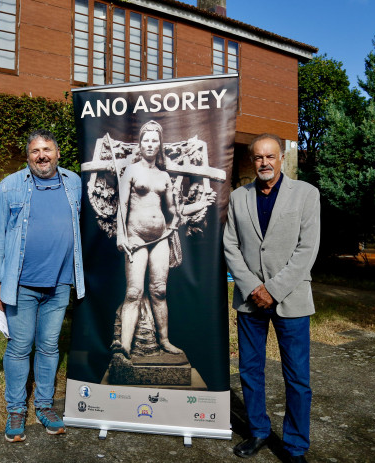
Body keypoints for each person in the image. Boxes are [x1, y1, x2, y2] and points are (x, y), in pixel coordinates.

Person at [223, 133, 320, 462]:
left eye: (270, 156)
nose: (264, 162)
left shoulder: (306, 194)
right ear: (253, 161)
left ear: (281, 158)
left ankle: (294, 447)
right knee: (249, 371)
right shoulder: (239, 197)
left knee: (297, 377)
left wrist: (273, 290)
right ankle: (259, 431)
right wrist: (253, 287)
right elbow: (230, 247)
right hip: (250, 301)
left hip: (291, 300)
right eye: (258, 157)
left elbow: (307, 249)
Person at [0, 129, 85, 443]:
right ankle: (16, 409)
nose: (42, 156)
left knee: (49, 346)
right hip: (22, 284)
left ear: (57, 153)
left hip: (60, 283)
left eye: (47, 150)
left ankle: (43, 405)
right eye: (35, 151)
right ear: (27, 157)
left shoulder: (74, 183)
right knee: (19, 347)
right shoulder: (10, 186)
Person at [115, 120, 214, 359]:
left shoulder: (164, 176)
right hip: (136, 238)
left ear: (159, 144)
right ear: (140, 144)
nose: (150, 144)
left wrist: (199, 204)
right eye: (146, 140)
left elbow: (173, 210)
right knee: (133, 292)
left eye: (154, 140)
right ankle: (124, 347)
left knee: (159, 291)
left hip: (161, 238)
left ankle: (165, 341)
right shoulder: (132, 171)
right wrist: (121, 235)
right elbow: (123, 205)